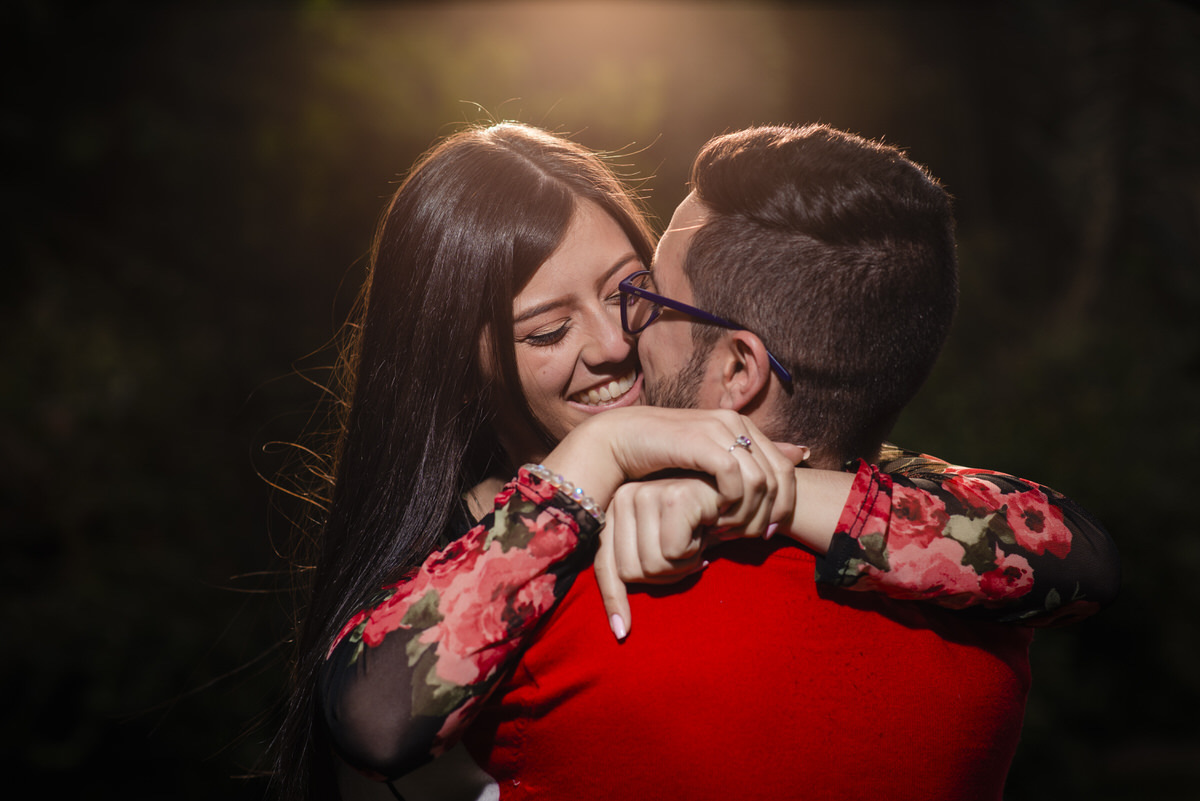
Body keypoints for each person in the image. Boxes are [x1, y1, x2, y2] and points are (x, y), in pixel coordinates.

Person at [273, 122, 1118, 801]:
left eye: (629, 289)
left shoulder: (837, 488)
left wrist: (751, 495)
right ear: (466, 358)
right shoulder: (453, 563)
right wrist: (600, 456)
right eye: (547, 330)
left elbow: (1069, 552)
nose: (613, 343)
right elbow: (374, 720)